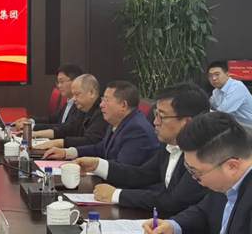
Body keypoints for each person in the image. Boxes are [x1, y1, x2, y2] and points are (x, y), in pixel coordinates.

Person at [74, 82, 210, 216]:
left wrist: (117, 195)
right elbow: (142, 174)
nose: (155, 122)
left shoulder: (202, 155)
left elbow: (173, 201)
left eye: (162, 116)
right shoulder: (169, 144)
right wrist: (98, 165)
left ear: (187, 122)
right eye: (156, 114)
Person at [142, 112, 252, 233]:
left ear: (232, 166)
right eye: (188, 169)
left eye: (196, 172)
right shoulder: (227, 180)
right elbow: (204, 211)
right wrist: (172, 226)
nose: (193, 178)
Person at [43, 80, 159, 166]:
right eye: (102, 100)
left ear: (123, 105)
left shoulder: (137, 130)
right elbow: (101, 148)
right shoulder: (116, 120)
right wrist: (67, 153)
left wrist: (94, 165)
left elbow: (123, 168)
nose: (101, 104)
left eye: (106, 100)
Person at [32, 74, 108, 149]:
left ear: (91, 93)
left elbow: (90, 141)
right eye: (73, 95)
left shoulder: (102, 111)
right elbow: (68, 129)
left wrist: (58, 143)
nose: (74, 99)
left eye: (77, 94)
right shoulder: (82, 108)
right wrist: (35, 134)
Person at [13, 64, 83, 130]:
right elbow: (52, 119)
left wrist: (32, 126)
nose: (59, 86)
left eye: (62, 82)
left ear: (76, 81)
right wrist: (30, 121)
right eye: (58, 82)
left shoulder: (81, 105)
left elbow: (67, 128)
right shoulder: (69, 101)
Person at [207, 60, 252, 127]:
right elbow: (209, 105)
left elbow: (221, 113)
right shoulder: (216, 91)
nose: (213, 78)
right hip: (236, 125)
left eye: (217, 74)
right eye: (210, 76)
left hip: (248, 126)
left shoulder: (237, 87)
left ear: (227, 74)